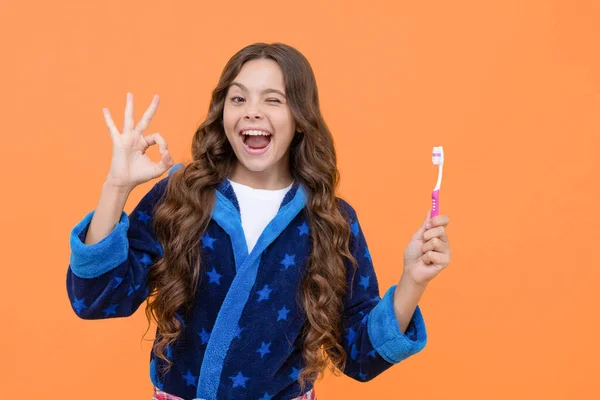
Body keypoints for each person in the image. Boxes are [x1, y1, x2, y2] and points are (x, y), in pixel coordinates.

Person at [66, 42, 451, 400]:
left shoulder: (331, 220)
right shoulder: (181, 196)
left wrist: (413, 281)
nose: (252, 110)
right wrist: (116, 186)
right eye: (239, 98)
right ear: (224, 114)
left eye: (273, 100)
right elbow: (96, 299)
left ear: (300, 119)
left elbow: (361, 356)